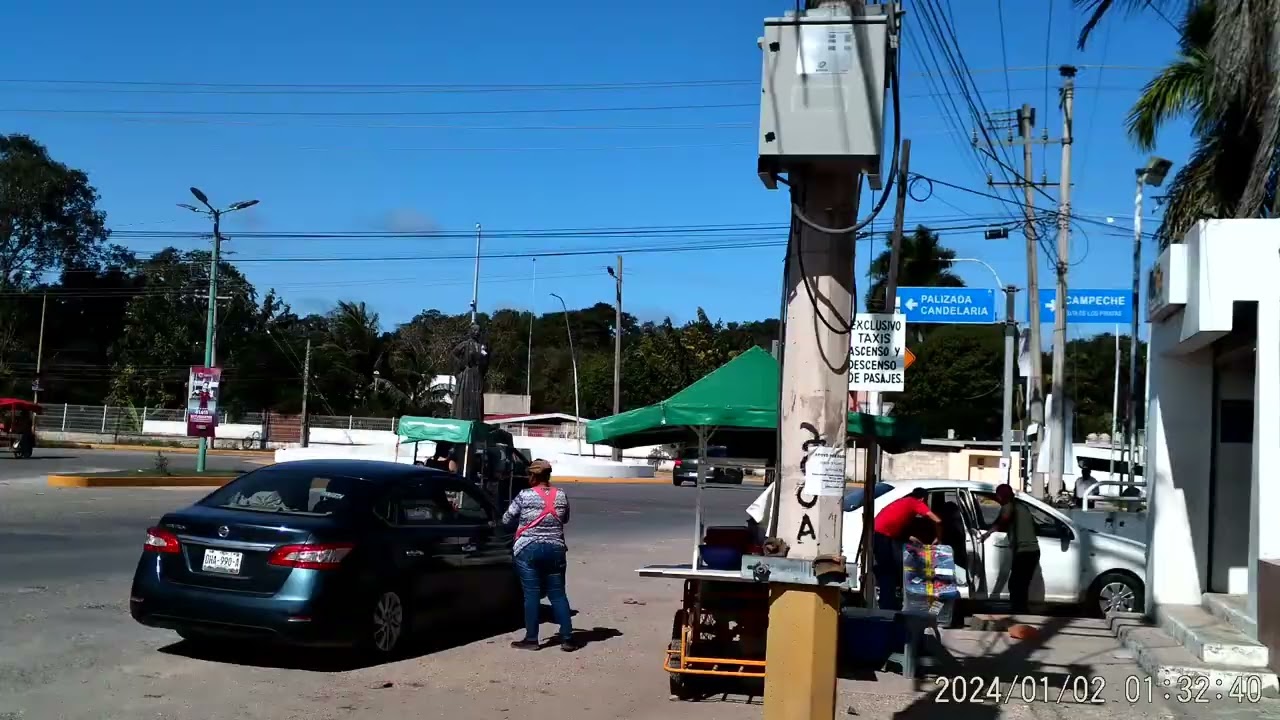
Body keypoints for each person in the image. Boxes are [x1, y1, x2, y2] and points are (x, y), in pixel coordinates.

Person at [502, 459, 577, 652]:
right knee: (558, 594)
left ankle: (532, 639)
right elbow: (565, 518)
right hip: (555, 548)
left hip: (528, 548)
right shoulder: (561, 494)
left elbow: (506, 519)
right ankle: (568, 638)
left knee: (532, 594)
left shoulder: (524, 495)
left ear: (533, 476)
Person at [872, 487, 943, 610]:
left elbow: (905, 535)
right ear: (922, 498)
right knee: (888, 571)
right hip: (881, 536)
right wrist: (938, 538)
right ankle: (888, 605)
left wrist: (920, 545)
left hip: (878, 533)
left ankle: (889, 601)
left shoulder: (903, 503)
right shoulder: (915, 502)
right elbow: (937, 520)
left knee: (889, 569)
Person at [978, 483, 1040, 614]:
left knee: (1016, 584)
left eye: (998, 496)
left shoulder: (1009, 507)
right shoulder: (1021, 506)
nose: (998, 498)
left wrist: (988, 533)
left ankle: (1019, 612)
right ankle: (1020, 610)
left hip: (1025, 551)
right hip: (1031, 551)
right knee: (1021, 584)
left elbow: (1003, 520)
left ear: (1003, 496)